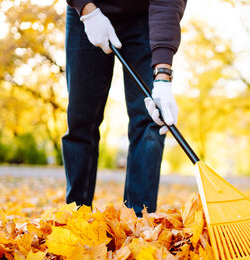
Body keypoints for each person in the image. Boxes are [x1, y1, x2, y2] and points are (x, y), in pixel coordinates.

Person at [63, 1, 187, 216]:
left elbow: (167, 4)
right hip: (87, 11)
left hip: (144, 17)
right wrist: (86, 10)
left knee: (150, 121)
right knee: (81, 119)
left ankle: (138, 220)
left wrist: (163, 78)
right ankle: (77, 215)